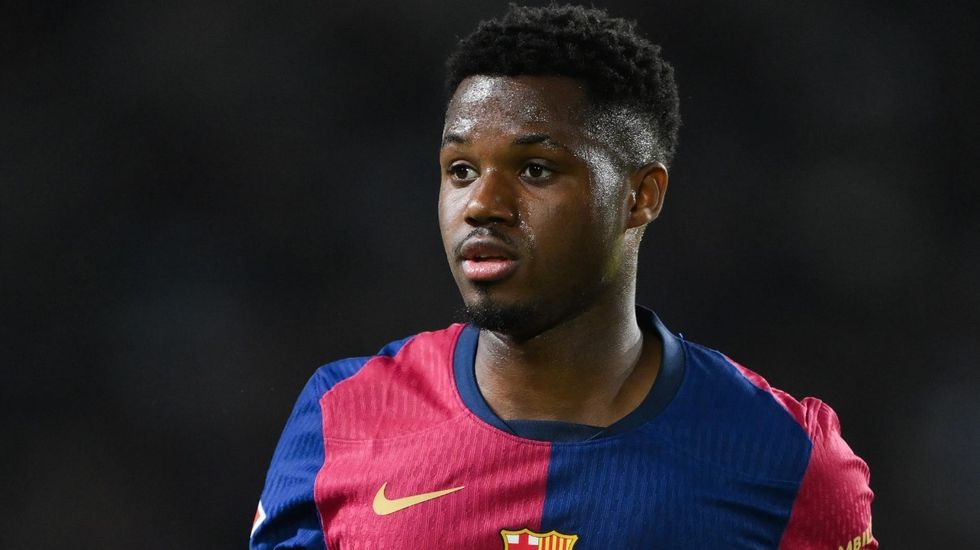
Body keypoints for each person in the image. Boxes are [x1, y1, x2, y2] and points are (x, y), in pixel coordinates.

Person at [250, 4, 876, 549]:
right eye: (461, 169)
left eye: (536, 170)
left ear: (641, 196)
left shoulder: (787, 456)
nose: (482, 204)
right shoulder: (341, 414)